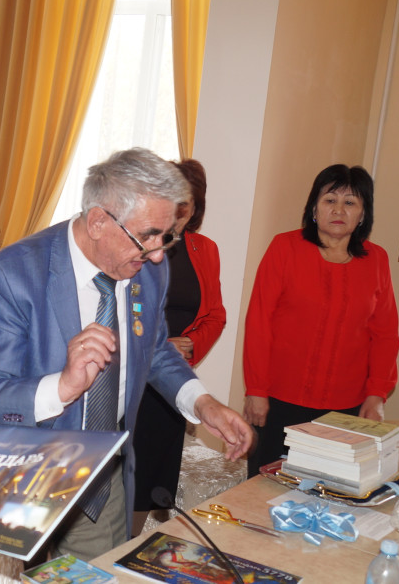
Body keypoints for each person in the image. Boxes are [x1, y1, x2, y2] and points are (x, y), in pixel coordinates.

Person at [0, 148, 253, 561]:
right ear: (98, 221)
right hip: (25, 471)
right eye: (147, 236)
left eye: (166, 236)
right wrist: (62, 387)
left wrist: (201, 402)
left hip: (104, 473)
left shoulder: (150, 268)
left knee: (99, 573)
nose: (158, 253)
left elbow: (154, 349)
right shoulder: (11, 274)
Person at [242, 163, 399, 477]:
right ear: (314, 208)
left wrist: (376, 395)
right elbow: (259, 322)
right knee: (266, 487)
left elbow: (385, 333)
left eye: (350, 202)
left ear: (363, 214)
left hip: (346, 408)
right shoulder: (284, 247)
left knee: (330, 489)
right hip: (279, 400)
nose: (339, 210)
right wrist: (256, 390)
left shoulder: (377, 260)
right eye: (330, 200)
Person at [131, 159, 226, 532]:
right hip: (133, 374)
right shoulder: (136, 243)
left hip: (173, 380)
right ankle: (114, 546)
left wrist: (189, 345)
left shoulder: (205, 249)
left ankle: (130, 546)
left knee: (153, 474)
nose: (179, 210)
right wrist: (157, 344)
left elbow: (215, 315)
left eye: (187, 202)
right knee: (126, 476)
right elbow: (122, 308)